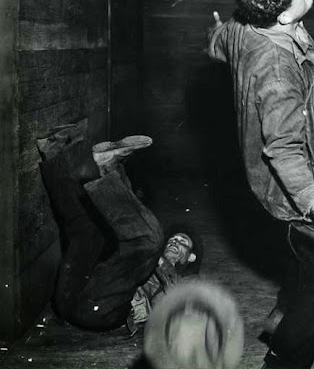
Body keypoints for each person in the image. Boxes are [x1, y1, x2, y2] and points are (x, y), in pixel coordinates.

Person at [208, 0, 314, 369]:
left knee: (309, 264)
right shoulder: (276, 72)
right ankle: (282, 361)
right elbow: (284, 149)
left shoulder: (246, 26)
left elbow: (221, 38)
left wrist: (214, 36)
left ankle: (281, 315)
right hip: (290, 182)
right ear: (284, 15)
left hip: (304, 149)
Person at [37, 121, 202, 332]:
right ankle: (52, 151)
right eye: (174, 239)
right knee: (87, 229)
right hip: (71, 294)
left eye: (182, 242)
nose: (174, 243)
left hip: (97, 311)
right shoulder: (142, 261)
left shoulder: (188, 281)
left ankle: (110, 167)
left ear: (191, 257)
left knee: (150, 240)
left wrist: (161, 268)